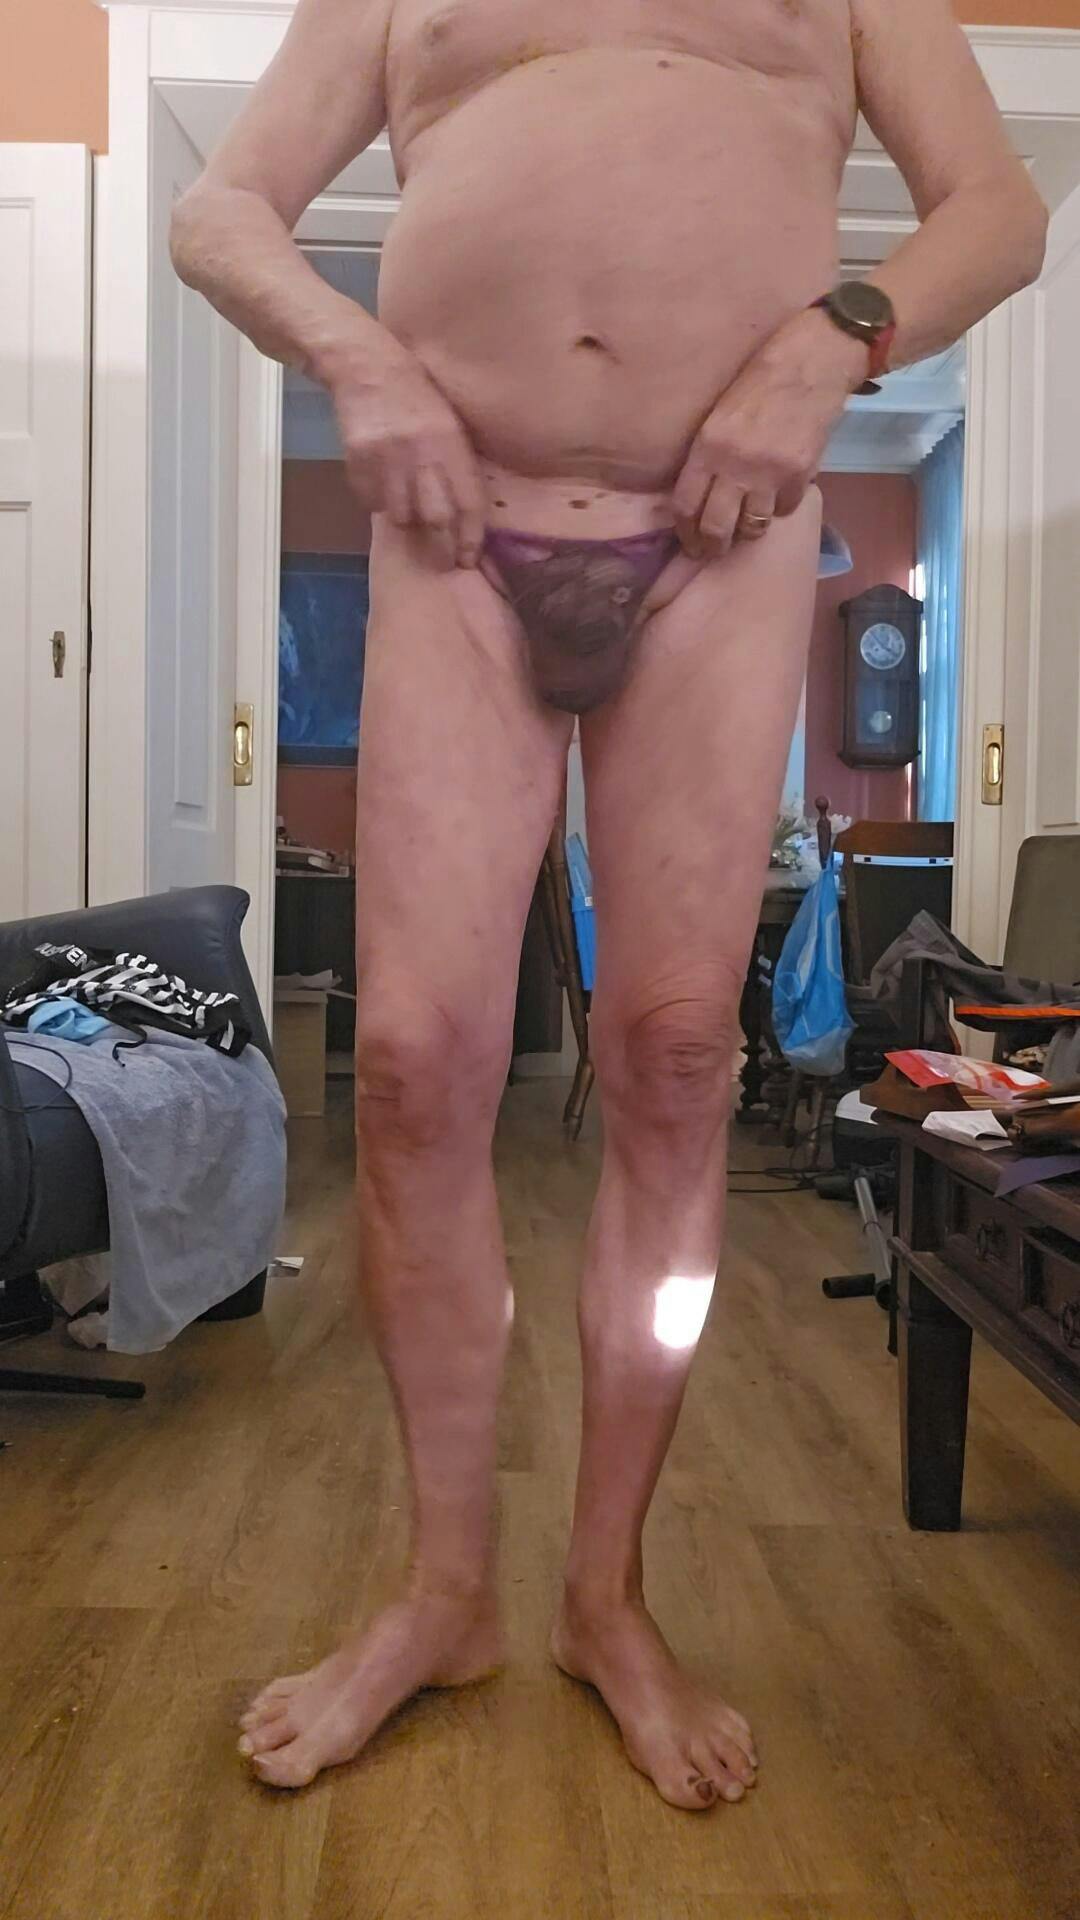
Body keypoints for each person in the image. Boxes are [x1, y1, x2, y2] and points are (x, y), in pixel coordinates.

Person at [172, 0, 1046, 1802]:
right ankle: (442, 1594)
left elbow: (999, 209)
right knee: (411, 1065)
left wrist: (834, 338)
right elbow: (221, 209)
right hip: (454, 529)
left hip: (724, 538)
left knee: (671, 1058)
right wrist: (359, 360)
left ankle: (606, 1598)